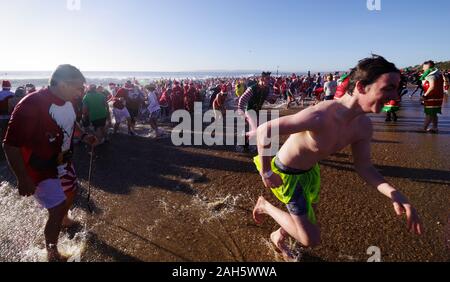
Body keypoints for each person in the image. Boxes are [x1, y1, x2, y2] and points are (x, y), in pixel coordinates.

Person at [252, 55, 422, 260]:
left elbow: (365, 167)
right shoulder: (322, 115)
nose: (395, 95)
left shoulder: (363, 126)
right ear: (361, 86)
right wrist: (266, 171)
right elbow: (264, 131)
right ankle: (265, 206)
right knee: (310, 239)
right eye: (388, 88)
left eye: (396, 88)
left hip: (310, 173)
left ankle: (278, 236)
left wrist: (394, 193)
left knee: (307, 219)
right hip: (286, 175)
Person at [2, 65, 97, 262]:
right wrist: (22, 178)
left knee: (71, 190)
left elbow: (72, 123)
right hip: (39, 168)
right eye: (78, 88)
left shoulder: (69, 102)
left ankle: (63, 218)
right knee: (57, 207)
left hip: (63, 161)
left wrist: (84, 135)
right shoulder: (32, 103)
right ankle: (52, 253)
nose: (81, 92)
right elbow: (10, 145)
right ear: (62, 84)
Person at [420, 60, 444, 133]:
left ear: (428, 66)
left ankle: (424, 128)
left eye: (424, 66)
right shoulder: (438, 74)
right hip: (438, 96)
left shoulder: (431, 75)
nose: (423, 68)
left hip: (432, 97)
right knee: (433, 113)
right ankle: (435, 127)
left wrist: (424, 95)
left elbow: (432, 87)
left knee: (429, 113)